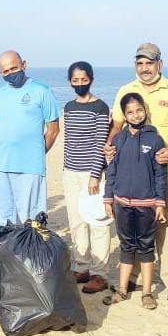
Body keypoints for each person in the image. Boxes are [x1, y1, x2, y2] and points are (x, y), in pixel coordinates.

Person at [107, 43, 168, 302]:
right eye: (140, 63)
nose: (145, 68)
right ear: (135, 66)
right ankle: (132, 278)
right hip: (131, 174)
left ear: (159, 65)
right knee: (131, 230)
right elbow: (117, 126)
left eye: (149, 63)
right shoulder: (125, 91)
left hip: (167, 168)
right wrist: (109, 151)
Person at [102, 93, 167, 310]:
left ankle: (147, 293)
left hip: (147, 204)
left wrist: (160, 203)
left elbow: (160, 175)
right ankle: (122, 289)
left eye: (139, 110)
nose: (135, 115)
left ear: (145, 111)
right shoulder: (117, 140)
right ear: (124, 114)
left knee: (146, 247)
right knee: (126, 245)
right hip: (122, 203)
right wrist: (108, 198)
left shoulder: (155, 139)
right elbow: (111, 172)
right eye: (130, 112)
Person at [0, 51, 59, 225]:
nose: (11, 73)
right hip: (2, 166)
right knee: (2, 220)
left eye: (14, 68)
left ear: (23, 65)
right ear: (0, 73)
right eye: (6, 71)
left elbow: (53, 130)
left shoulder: (41, 91)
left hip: (31, 167)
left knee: (31, 220)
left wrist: (37, 152)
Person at [60, 61, 111, 294]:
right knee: (76, 221)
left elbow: (100, 143)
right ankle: (82, 266)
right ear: (70, 81)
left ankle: (100, 273)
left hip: (92, 175)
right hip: (70, 172)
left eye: (83, 79)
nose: (79, 83)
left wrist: (94, 176)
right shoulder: (69, 107)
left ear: (91, 79)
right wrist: (65, 170)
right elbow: (69, 141)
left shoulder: (100, 107)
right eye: (75, 80)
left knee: (97, 222)